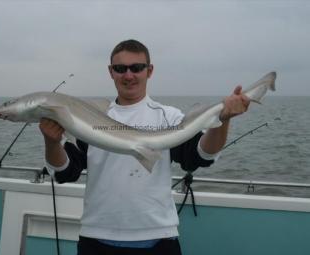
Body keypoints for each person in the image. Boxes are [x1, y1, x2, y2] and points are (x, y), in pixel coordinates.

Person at [39, 39, 250, 255]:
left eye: (137, 68)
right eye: (120, 69)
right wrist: (52, 142)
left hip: (158, 239)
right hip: (96, 238)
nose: (128, 75)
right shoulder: (91, 118)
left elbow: (200, 156)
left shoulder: (168, 117)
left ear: (149, 71)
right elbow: (66, 172)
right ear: (111, 72)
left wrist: (223, 120)